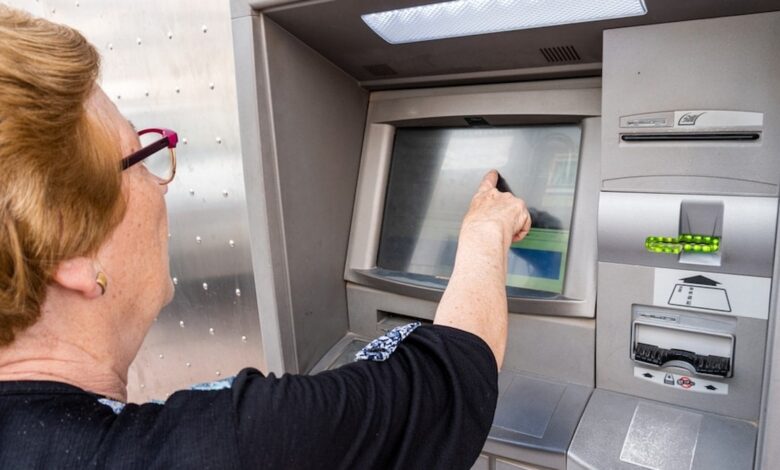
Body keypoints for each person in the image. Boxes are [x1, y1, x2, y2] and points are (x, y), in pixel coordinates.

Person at [0, 6, 531, 469]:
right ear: (72, 250)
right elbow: (452, 379)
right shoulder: (232, 443)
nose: (160, 186)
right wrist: (487, 228)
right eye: (139, 159)